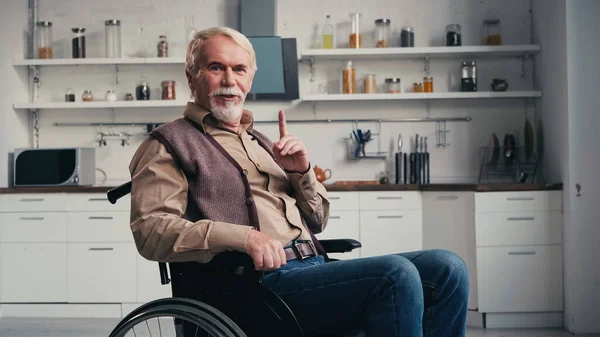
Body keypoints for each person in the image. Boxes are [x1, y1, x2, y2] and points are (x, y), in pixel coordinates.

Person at [128, 26, 469, 337]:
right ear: (192, 76)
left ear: (250, 79)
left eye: (239, 69)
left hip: (312, 268)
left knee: (446, 268)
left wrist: (299, 173)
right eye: (216, 67)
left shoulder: (261, 141)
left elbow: (318, 220)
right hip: (252, 287)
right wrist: (243, 237)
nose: (229, 80)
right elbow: (152, 231)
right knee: (395, 274)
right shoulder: (168, 143)